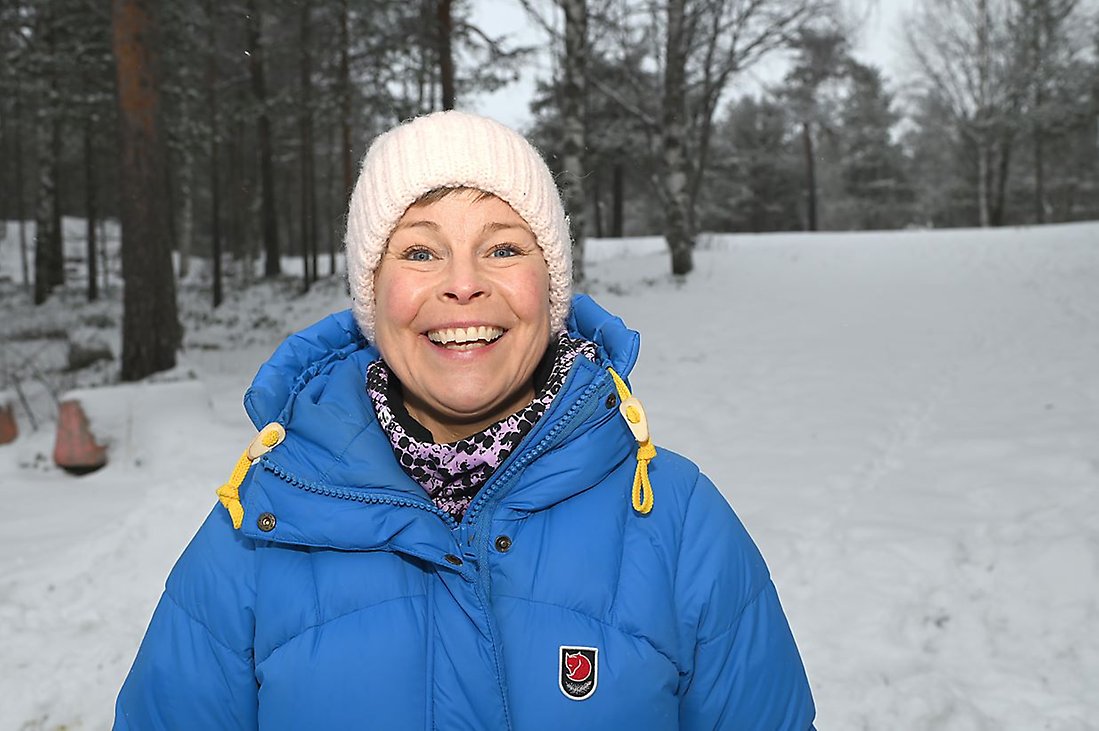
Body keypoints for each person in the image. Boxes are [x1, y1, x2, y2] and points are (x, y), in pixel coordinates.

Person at [114, 110, 815, 730]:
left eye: (503, 247)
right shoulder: (257, 536)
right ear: (371, 293)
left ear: (551, 285)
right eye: (419, 251)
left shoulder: (679, 524)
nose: (462, 282)